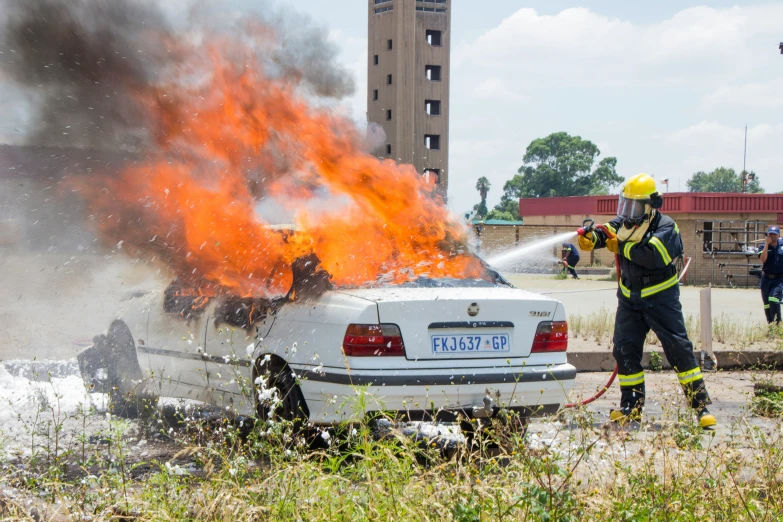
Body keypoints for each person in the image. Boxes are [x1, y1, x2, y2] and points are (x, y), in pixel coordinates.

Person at [577, 173, 716, 429]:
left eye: (635, 205)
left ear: (651, 206)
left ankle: (701, 408)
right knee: (624, 350)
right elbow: (607, 232)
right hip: (630, 300)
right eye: (626, 203)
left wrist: (619, 247)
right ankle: (631, 409)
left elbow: (652, 256)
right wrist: (591, 239)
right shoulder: (625, 222)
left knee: (679, 350)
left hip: (661, 299)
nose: (629, 211)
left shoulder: (666, 227)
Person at [757, 226, 783, 324]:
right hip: (766, 278)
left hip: (780, 279)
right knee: (767, 304)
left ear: (778, 235)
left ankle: (777, 324)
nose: (772, 236)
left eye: (774, 234)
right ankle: (770, 324)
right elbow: (763, 259)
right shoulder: (763, 246)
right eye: (770, 234)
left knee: (774, 299)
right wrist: (766, 245)